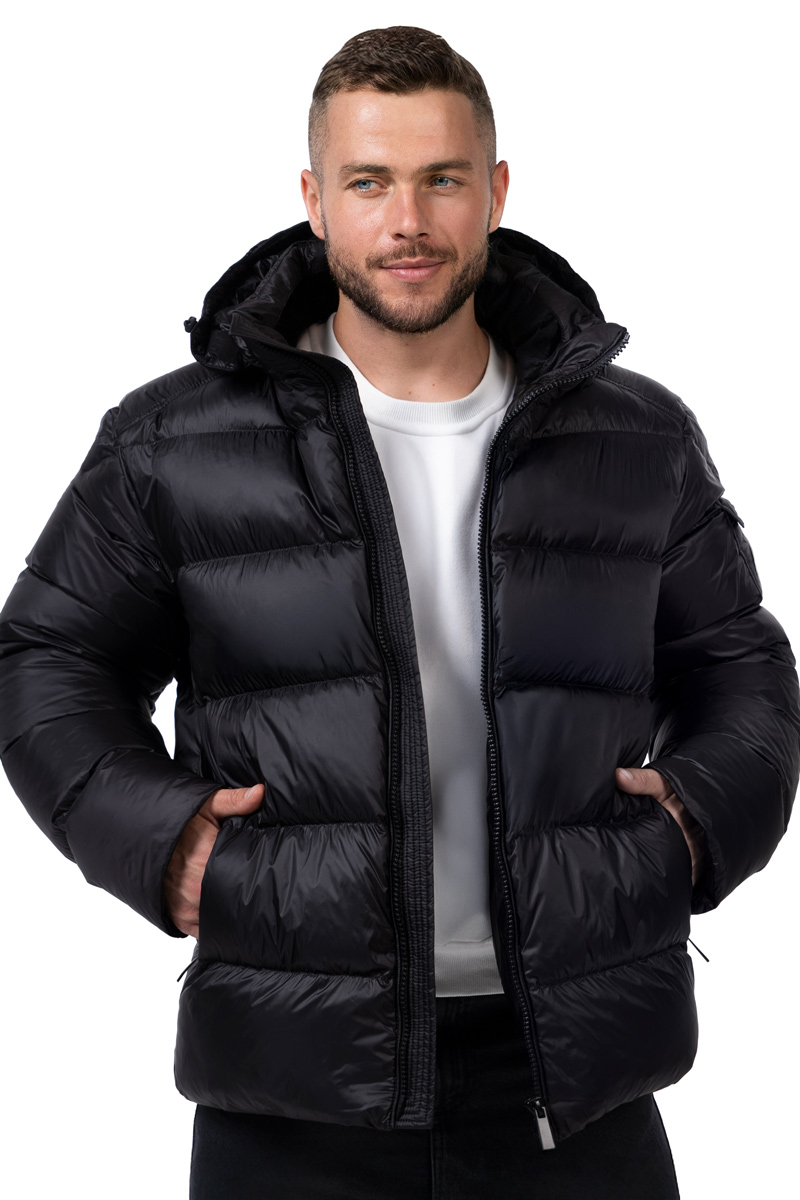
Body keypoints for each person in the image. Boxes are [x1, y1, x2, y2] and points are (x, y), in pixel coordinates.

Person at [1, 23, 798, 1200]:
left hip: (572, 1074)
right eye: (369, 182)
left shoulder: (632, 438)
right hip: (292, 1072)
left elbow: (737, 667)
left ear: (496, 192)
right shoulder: (176, 439)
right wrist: (164, 844)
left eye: (442, 179)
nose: (407, 221)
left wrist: (692, 823)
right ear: (314, 199)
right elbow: (46, 658)